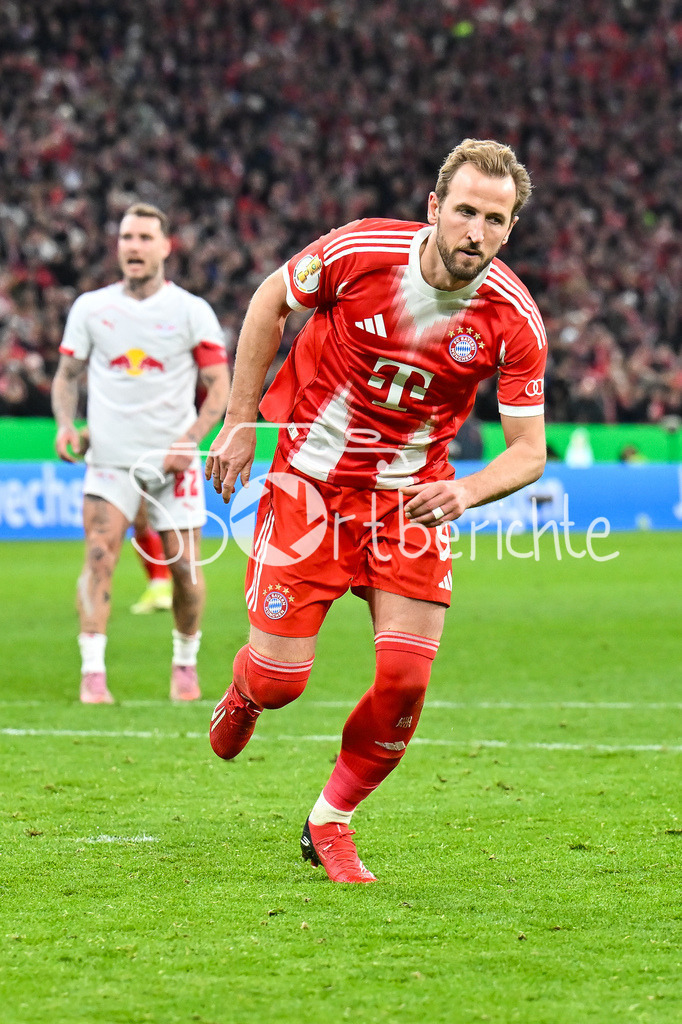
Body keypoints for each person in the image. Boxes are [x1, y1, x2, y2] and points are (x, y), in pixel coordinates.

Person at [206, 139, 547, 883]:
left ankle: (330, 820)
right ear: (434, 208)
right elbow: (271, 300)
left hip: (410, 505)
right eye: (465, 211)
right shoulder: (360, 251)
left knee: (405, 680)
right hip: (310, 490)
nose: (476, 232)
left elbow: (528, 451)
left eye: (496, 219)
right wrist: (238, 419)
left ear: (510, 227)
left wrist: (464, 491)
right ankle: (245, 691)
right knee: (280, 681)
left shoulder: (514, 319)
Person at [52, 202, 230, 704]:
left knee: (186, 571)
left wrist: (189, 440)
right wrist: (68, 425)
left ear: (165, 246)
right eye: (127, 237)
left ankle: (185, 663)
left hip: (173, 464)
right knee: (97, 555)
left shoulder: (191, 311)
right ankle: (92, 674)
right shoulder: (91, 308)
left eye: (145, 237)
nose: (134, 246)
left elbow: (219, 386)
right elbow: (67, 377)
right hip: (109, 460)